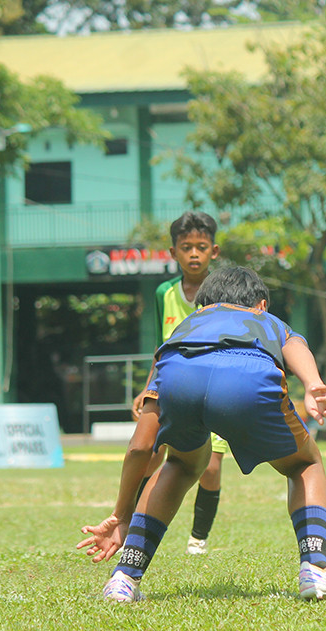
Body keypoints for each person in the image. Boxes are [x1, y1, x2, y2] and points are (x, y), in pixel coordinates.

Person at [77, 266, 326, 602]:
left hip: (180, 381)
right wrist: (313, 383)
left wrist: (121, 513)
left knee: (181, 465)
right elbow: (293, 343)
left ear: (202, 305)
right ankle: (315, 569)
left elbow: (139, 449)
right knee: (303, 463)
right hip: (248, 378)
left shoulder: (183, 331)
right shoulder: (263, 319)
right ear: (260, 304)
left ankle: (124, 577)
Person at [131, 211, 230, 556]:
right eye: (186, 247)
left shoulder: (224, 291)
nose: (193, 254)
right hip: (171, 388)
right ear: (173, 252)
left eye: (201, 247)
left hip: (214, 389)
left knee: (211, 468)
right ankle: (134, 523)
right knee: (150, 456)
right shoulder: (163, 293)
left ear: (213, 251)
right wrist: (148, 388)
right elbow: (162, 348)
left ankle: (198, 538)